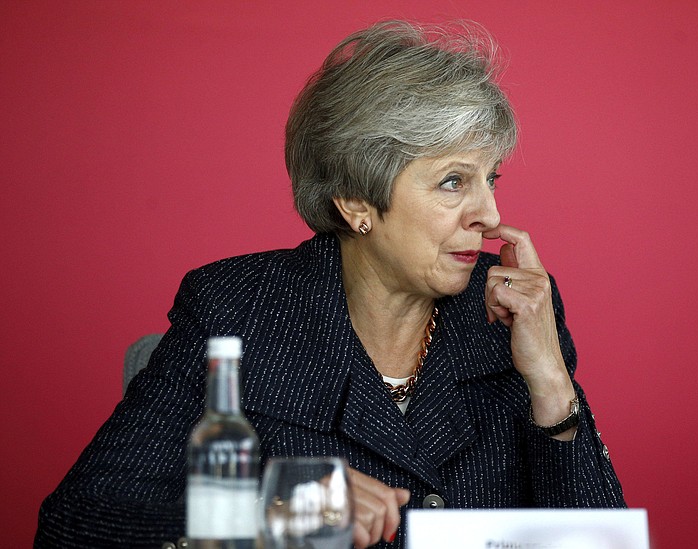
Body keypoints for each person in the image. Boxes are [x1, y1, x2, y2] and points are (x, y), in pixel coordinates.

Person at [35, 20, 625, 549]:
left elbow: (600, 540)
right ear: (355, 201)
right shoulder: (238, 309)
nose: (489, 214)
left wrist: (550, 381)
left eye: (490, 179)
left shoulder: (511, 315)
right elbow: (76, 524)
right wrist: (275, 514)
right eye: (453, 181)